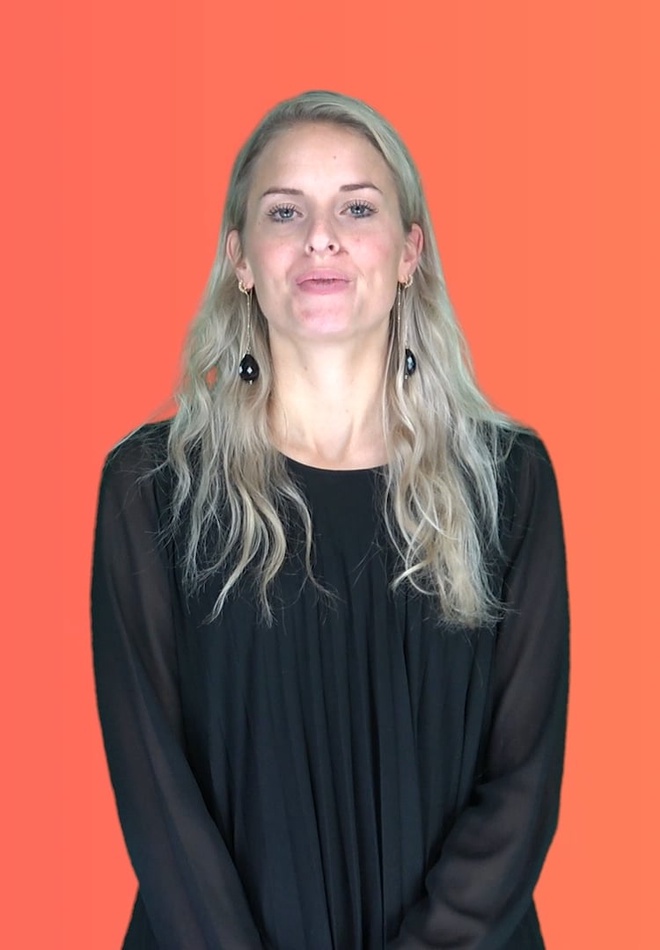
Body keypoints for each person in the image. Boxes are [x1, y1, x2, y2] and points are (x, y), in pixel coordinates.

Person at [91, 90, 569, 950]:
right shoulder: (151, 489)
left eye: (356, 207)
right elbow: (156, 794)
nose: (322, 237)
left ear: (408, 253)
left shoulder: (509, 482)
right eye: (285, 211)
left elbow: (522, 786)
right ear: (240, 259)